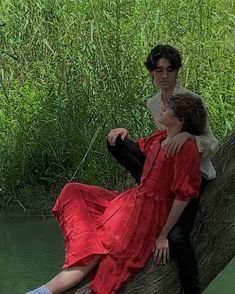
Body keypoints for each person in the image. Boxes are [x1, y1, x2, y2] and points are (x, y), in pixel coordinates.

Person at [25, 94, 206, 294]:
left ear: (180, 119)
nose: (164, 107)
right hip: (133, 200)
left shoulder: (186, 148)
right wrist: (122, 132)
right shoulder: (160, 136)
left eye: (170, 106)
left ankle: (44, 291)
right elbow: (138, 147)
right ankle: (46, 289)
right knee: (75, 193)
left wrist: (163, 235)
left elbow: (183, 196)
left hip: (148, 214)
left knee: (108, 251)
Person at [107, 44, 219, 294]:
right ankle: (147, 187)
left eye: (170, 70)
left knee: (178, 238)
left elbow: (212, 143)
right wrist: (125, 135)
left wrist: (189, 138)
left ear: (177, 71)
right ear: (152, 73)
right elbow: (164, 136)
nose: (164, 76)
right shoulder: (153, 103)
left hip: (194, 175)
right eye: (159, 70)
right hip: (167, 172)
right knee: (115, 142)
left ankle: (193, 289)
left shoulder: (191, 100)